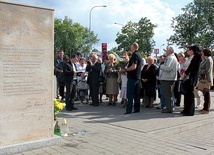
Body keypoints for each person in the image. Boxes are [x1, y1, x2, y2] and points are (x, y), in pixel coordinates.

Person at [121, 43, 143, 114]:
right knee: (136, 94)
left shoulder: (134, 55)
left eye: (131, 47)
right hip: (137, 77)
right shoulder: (139, 55)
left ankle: (129, 110)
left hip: (132, 77)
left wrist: (126, 69)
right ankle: (137, 109)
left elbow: (134, 66)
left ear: (133, 47)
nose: (130, 48)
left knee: (130, 94)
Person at [181, 44, 201, 116]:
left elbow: (190, 68)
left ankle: (190, 111)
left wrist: (184, 75)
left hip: (191, 78)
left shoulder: (195, 58)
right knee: (186, 94)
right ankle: (186, 109)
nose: (187, 51)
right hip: (187, 78)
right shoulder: (190, 58)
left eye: (189, 50)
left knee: (190, 95)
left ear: (193, 51)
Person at [159, 47, 179, 113]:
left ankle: (169, 108)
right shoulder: (170, 58)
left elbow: (168, 68)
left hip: (168, 78)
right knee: (168, 94)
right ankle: (168, 107)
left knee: (168, 95)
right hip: (167, 78)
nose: (166, 52)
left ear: (170, 51)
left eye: (166, 50)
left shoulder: (171, 58)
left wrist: (161, 66)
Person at [199, 48, 213, 114]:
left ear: (204, 53)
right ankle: (205, 107)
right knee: (205, 94)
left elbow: (207, 70)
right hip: (204, 79)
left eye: (202, 52)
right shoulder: (205, 59)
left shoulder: (209, 60)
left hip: (207, 79)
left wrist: (199, 71)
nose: (201, 53)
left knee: (207, 94)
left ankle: (206, 109)